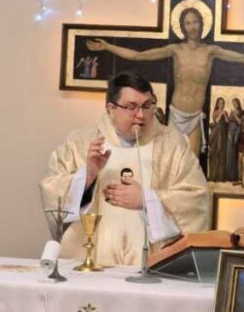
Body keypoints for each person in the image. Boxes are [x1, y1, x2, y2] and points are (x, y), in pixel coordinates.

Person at [40, 71, 210, 267]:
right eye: (131, 107)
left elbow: (196, 198)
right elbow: (51, 191)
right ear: (111, 108)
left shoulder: (173, 144)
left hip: (152, 266)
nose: (141, 115)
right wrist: (88, 175)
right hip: (92, 265)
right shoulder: (80, 142)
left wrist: (148, 200)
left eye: (147, 105)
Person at [87, 8, 244, 156]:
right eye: (188, 22)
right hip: (176, 114)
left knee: (191, 167)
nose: (192, 26)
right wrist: (107, 46)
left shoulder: (211, 51)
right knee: (168, 162)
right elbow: (138, 56)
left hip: (195, 116)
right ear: (183, 26)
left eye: (195, 21)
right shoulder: (175, 50)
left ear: (202, 24)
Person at [207, 96, 228, 182]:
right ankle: (213, 176)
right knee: (214, 153)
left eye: (222, 103)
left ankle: (220, 177)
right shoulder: (215, 112)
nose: (221, 104)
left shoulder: (225, 112)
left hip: (222, 135)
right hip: (216, 135)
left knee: (221, 154)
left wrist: (225, 115)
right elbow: (216, 121)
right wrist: (220, 114)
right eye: (220, 103)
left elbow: (227, 122)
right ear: (217, 104)